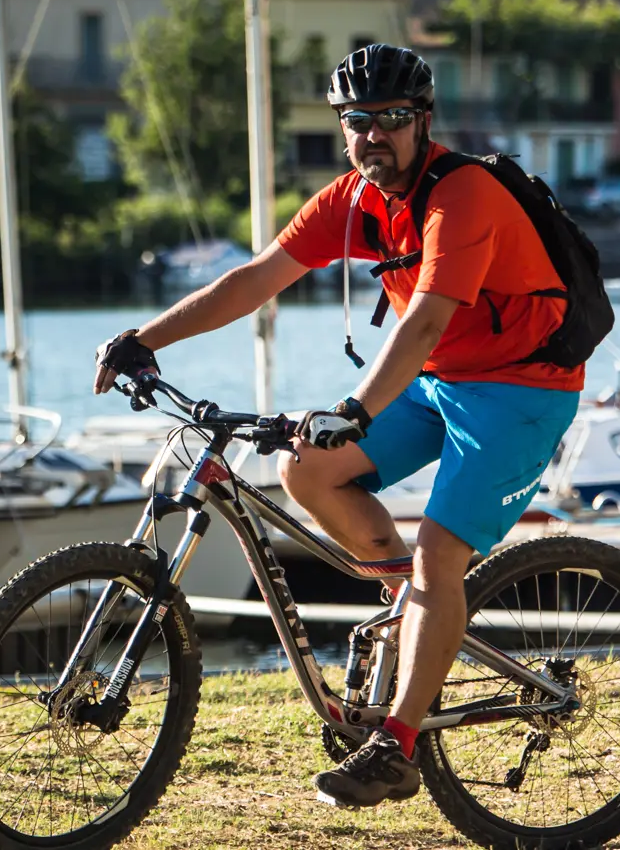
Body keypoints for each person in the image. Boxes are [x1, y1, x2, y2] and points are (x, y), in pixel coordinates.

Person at [93, 43, 585, 809]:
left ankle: (398, 743)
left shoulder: (466, 194)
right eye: (358, 121)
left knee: (440, 550)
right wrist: (145, 338)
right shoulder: (354, 200)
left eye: (392, 120)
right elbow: (257, 278)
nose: (373, 136)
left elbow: (422, 321)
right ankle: (408, 611)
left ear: (423, 122)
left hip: (522, 387)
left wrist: (355, 408)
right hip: (439, 380)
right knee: (304, 468)